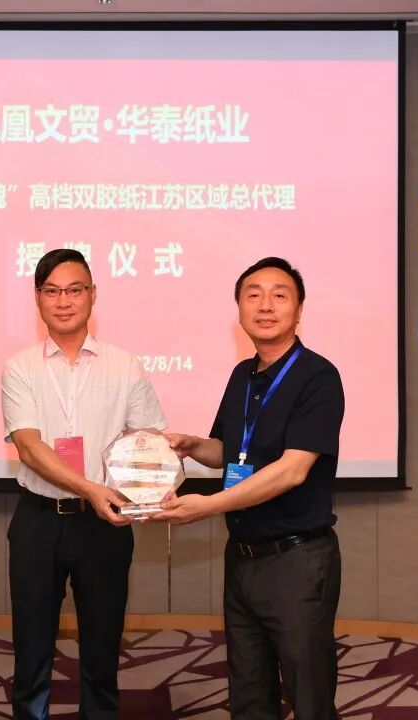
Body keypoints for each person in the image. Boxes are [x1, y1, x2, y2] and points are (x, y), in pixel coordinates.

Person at [155, 256, 345, 720]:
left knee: (308, 695)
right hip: (242, 557)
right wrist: (191, 445)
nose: (265, 305)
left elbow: (291, 470)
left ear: (299, 310)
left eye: (280, 295)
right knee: (249, 693)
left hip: (297, 560)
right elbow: (230, 451)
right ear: (238, 308)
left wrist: (208, 506)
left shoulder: (318, 377)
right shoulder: (243, 374)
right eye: (252, 295)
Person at [1, 248, 166, 720]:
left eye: (75, 289)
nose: (64, 301)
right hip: (39, 520)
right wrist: (90, 488)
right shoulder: (19, 367)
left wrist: (151, 485)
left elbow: (148, 442)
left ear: (93, 294)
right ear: (37, 298)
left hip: (104, 525)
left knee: (102, 649)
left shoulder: (125, 365)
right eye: (52, 291)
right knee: (32, 649)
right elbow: (29, 447)